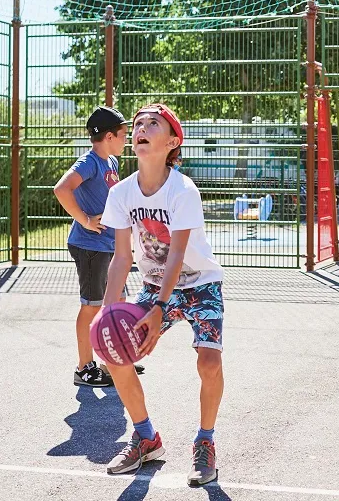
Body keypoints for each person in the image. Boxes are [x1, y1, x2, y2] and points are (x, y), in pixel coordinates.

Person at [100, 103, 224, 487]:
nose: (141, 127)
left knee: (208, 364)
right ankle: (146, 437)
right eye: (138, 123)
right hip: (154, 285)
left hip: (199, 283)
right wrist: (108, 311)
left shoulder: (182, 189)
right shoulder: (120, 193)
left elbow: (176, 254)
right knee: (113, 352)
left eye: (153, 123)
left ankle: (205, 442)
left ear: (172, 141)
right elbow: (122, 258)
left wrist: (158, 308)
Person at [54, 106, 142, 387]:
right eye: (123, 135)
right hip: (90, 246)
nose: (126, 140)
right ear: (108, 137)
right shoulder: (89, 162)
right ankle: (84, 368)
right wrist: (85, 220)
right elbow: (61, 189)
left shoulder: (111, 163)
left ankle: (112, 362)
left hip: (109, 247)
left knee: (118, 302)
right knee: (92, 307)